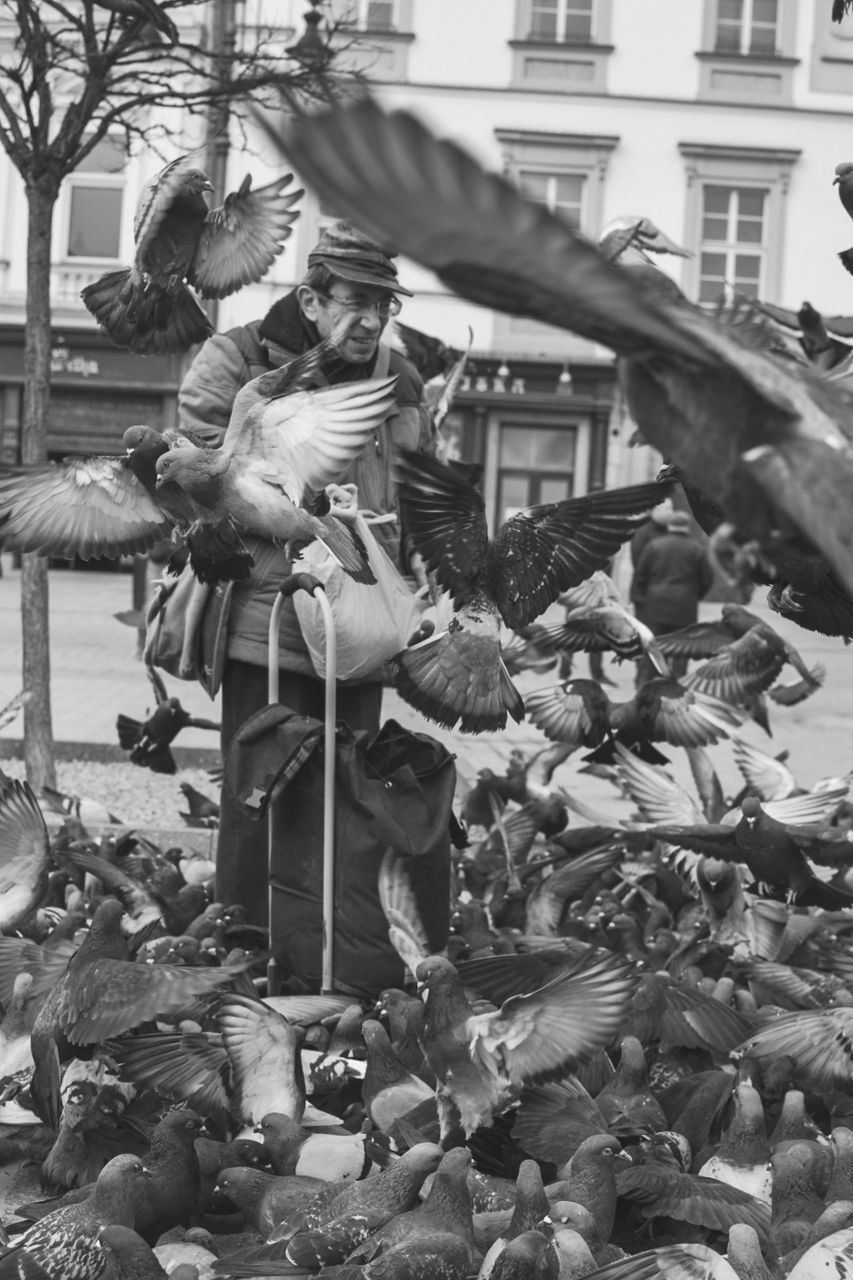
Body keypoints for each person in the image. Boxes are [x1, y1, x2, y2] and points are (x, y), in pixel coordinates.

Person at [177, 220, 433, 924]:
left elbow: (424, 491)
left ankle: (329, 940)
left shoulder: (399, 379)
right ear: (311, 300)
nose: (373, 319)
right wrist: (300, 516)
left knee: (350, 789)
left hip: (360, 628)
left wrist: (434, 584)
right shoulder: (233, 359)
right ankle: (240, 937)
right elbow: (193, 478)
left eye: (386, 305)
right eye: (356, 300)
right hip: (265, 613)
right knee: (259, 787)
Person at [631, 509, 714, 685]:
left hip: (655, 604)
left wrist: (643, 599)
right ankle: (677, 685)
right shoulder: (697, 549)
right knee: (682, 648)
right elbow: (707, 578)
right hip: (685, 606)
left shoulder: (654, 546)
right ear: (687, 527)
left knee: (653, 646)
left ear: (669, 525)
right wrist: (694, 595)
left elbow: (640, 575)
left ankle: (646, 683)